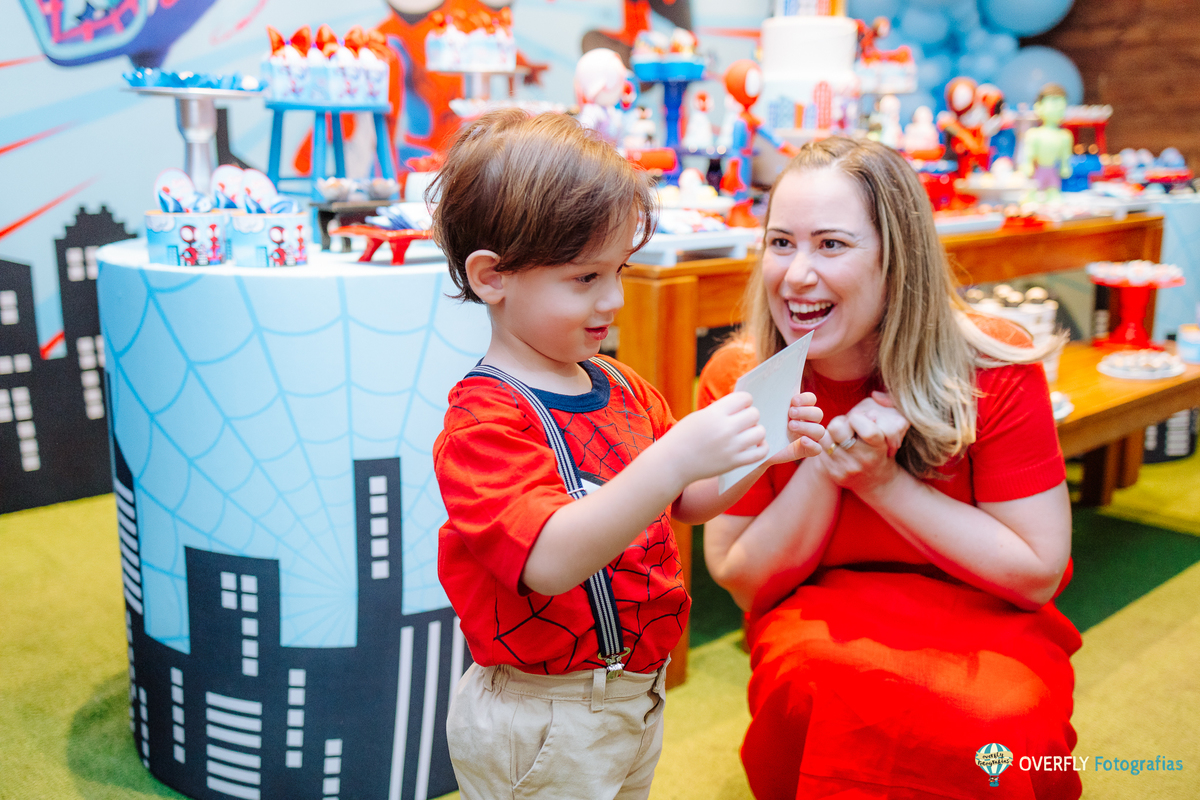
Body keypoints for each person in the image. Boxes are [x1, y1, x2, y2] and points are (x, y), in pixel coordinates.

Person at [429, 109, 826, 800]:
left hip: (630, 694)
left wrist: (757, 449)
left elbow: (684, 504)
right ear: (492, 277)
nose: (612, 299)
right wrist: (674, 457)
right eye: (584, 278)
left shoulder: (617, 385)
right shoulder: (484, 419)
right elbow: (550, 561)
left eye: (620, 270)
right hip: (542, 711)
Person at [699, 136, 1082, 799]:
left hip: (985, 608)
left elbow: (1035, 575)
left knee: (998, 721)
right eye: (781, 243)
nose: (795, 276)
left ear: (896, 261)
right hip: (817, 609)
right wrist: (827, 466)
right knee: (814, 684)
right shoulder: (742, 378)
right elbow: (745, 582)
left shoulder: (993, 364)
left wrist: (881, 482)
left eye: (831, 245)